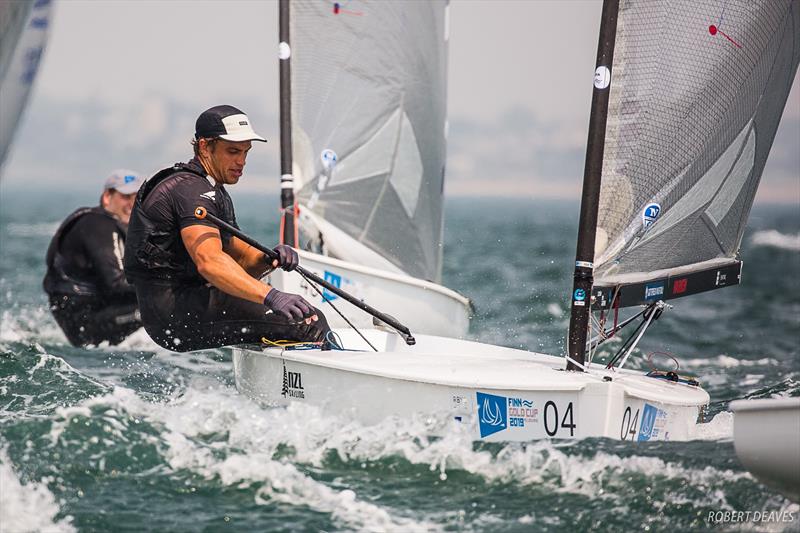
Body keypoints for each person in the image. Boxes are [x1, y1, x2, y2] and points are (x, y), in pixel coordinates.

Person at [123, 104, 329, 352]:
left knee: (300, 318)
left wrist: (270, 258)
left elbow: (241, 260)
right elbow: (209, 262)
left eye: (245, 152)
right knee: (307, 323)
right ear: (204, 147)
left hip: (182, 307)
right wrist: (271, 295)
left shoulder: (211, 189)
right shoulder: (190, 191)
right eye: (232, 151)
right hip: (172, 312)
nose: (241, 161)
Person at [44, 170, 145, 346]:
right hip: (85, 323)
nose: (132, 204)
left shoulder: (111, 223)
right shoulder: (98, 225)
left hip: (95, 311)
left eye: (137, 197)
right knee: (163, 308)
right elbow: (116, 284)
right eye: (125, 196)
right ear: (107, 197)